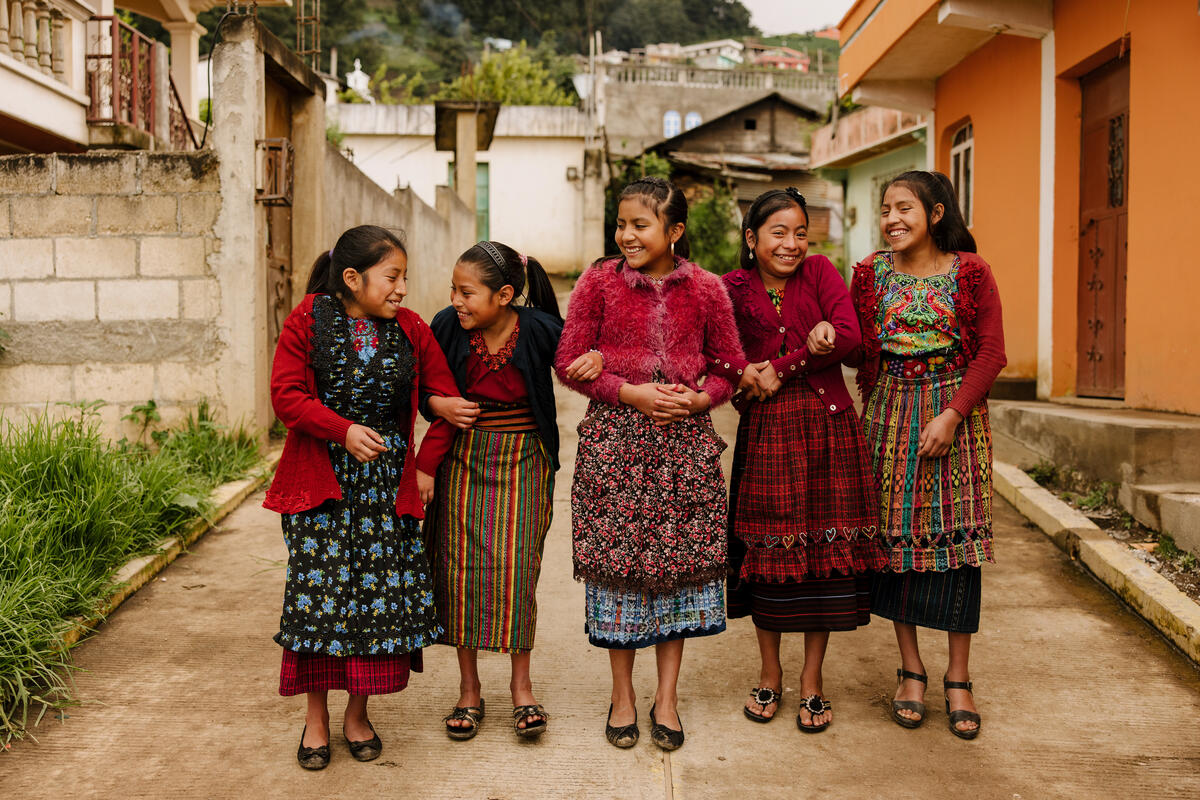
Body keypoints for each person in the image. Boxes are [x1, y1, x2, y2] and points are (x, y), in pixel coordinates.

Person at [554, 176, 745, 752]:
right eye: (621, 225)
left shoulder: (708, 289)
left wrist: (699, 398)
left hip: (684, 450)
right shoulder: (597, 282)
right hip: (614, 448)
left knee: (675, 576)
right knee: (620, 575)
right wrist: (627, 391)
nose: (627, 235)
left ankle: (666, 697)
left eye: (640, 225)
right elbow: (568, 361)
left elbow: (731, 367)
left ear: (674, 231)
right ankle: (622, 696)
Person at [264, 225, 460, 769]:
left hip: (384, 493)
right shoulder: (308, 319)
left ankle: (357, 713)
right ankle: (316, 719)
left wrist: (423, 465)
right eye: (391, 277)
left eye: (404, 278)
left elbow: (446, 400)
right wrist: (342, 430)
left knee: (376, 606)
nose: (401, 289)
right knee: (319, 602)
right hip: (321, 489)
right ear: (352, 279)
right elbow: (287, 397)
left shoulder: (413, 329)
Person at [709, 188, 887, 733]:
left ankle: (812, 681)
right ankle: (770, 675)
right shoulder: (729, 289)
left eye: (800, 233)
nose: (792, 244)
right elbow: (712, 349)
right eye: (779, 233)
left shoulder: (821, 274)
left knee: (821, 563)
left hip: (829, 430)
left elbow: (851, 338)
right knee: (769, 562)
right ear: (751, 238)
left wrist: (786, 364)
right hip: (767, 434)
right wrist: (742, 371)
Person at [421, 241, 601, 740]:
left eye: (466, 292)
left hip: (525, 458)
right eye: (453, 290)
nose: (456, 300)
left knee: (518, 571)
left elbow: (578, 370)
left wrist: (597, 358)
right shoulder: (444, 327)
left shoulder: (540, 328)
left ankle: (522, 688)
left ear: (504, 295)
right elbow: (422, 387)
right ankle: (469, 689)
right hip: (462, 458)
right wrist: (439, 405)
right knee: (459, 572)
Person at [848, 171, 1006, 740]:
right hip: (889, 413)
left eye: (904, 208)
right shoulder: (868, 274)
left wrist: (954, 412)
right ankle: (910, 668)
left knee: (957, 545)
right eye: (885, 209)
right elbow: (855, 344)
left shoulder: (972, 271)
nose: (892, 219)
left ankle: (958, 677)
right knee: (896, 546)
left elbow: (991, 352)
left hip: (955, 414)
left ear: (936, 214)